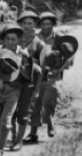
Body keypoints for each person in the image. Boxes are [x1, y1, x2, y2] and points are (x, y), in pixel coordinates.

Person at [0, 23, 34, 156]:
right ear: (3, 39)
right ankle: (0, 137)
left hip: (15, 90)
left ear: (17, 39)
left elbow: (28, 75)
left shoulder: (23, 54)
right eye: (8, 39)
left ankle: (0, 147)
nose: (10, 42)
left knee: (8, 121)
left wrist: (18, 65)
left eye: (13, 39)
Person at [25, 12, 73, 142]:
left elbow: (70, 56)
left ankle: (50, 122)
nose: (46, 27)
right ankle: (33, 133)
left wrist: (59, 69)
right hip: (36, 75)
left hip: (52, 76)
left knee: (47, 101)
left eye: (48, 24)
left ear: (53, 24)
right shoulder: (35, 38)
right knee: (34, 103)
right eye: (43, 24)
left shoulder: (60, 38)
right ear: (40, 25)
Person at [11, 11, 45, 150]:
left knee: (24, 112)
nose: (26, 26)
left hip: (30, 82)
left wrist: (37, 89)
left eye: (30, 23)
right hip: (13, 80)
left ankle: (19, 141)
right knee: (10, 110)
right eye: (24, 23)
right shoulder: (15, 39)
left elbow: (43, 68)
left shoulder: (39, 44)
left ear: (35, 25)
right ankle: (12, 137)